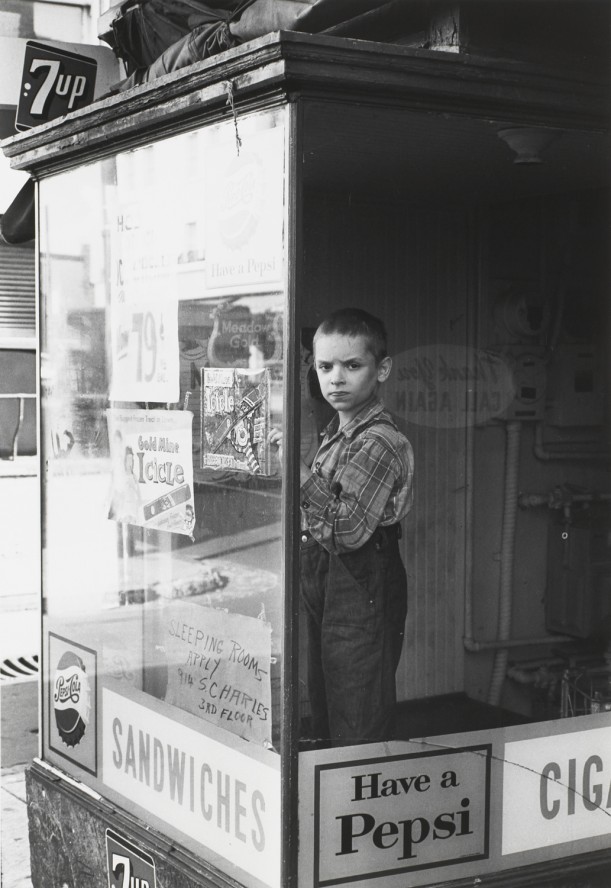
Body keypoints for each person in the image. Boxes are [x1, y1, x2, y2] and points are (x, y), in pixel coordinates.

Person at [294, 308, 414, 747]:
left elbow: (346, 531)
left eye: (352, 365)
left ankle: (354, 802)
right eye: (325, 367)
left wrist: (299, 470)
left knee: (357, 708)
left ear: (381, 370)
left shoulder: (379, 441)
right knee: (325, 696)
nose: (336, 378)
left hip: (360, 578)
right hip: (327, 575)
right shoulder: (336, 433)